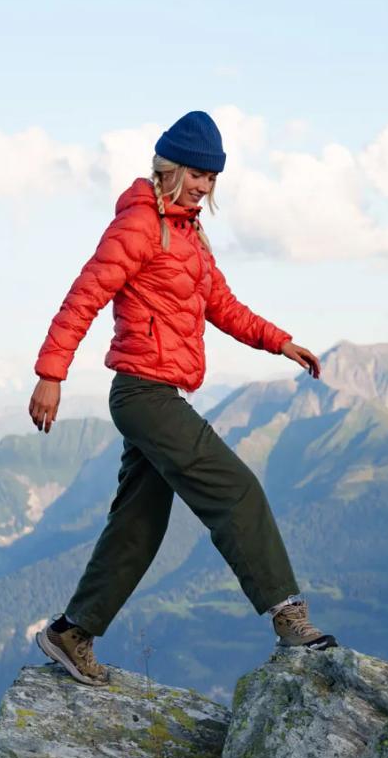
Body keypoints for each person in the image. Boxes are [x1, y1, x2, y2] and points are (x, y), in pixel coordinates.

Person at [25, 109, 337, 686]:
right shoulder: (139, 227)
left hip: (160, 392)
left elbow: (222, 305)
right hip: (143, 394)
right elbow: (83, 297)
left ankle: (72, 632)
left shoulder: (191, 236)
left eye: (212, 177)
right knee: (235, 488)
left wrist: (280, 342)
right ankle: (288, 615)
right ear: (168, 167)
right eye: (195, 172)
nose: (204, 184)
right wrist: (51, 373)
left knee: (139, 525)